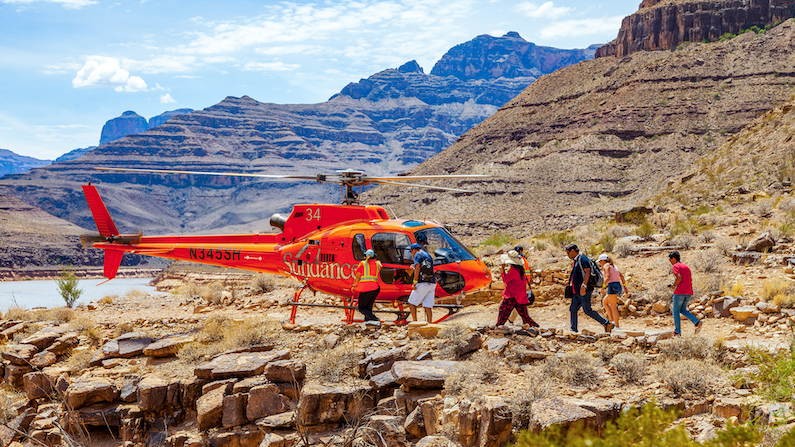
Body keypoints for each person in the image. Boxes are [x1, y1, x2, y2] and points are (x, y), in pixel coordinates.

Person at [566, 244, 613, 333]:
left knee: (587, 310)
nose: (568, 255)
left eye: (568, 253)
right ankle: (573, 329)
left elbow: (588, 271)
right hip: (576, 292)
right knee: (573, 309)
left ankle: (606, 323)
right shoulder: (576, 261)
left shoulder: (582, 258)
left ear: (572, 251)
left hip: (584, 290)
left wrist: (583, 286)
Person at [497, 250, 539, 327]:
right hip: (520, 295)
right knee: (524, 315)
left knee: (503, 311)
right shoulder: (520, 269)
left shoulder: (513, 270)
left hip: (512, 294)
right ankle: (534, 327)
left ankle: (499, 326)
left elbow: (506, 279)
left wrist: (503, 270)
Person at [668, 251, 702, 336]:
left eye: (670, 259)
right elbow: (685, 279)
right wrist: (674, 283)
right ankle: (696, 322)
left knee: (675, 311)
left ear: (674, 258)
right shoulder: (685, 266)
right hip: (688, 292)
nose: (670, 261)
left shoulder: (675, 266)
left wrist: (674, 285)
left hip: (680, 292)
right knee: (682, 309)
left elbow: (679, 278)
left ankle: (677, 331)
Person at [351, 249, 382, 325]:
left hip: (365, 288)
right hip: (375, 288)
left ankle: (375, 319)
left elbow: (357, 277)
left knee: (361, 308)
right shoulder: (377, 264)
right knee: (368, 307)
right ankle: (368, 322)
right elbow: (380, 265)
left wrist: (354, 286)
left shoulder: (362, 264)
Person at [597, 253, 627, 330]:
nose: (600, 263)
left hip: (612, 286)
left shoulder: (606, 266)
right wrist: (625, 287)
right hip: (618, 286)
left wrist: (602, 288)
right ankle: (612, 321)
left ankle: (617, 326)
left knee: (613, 307)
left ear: (603, 261)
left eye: (600, 261)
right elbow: (622, 276)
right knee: (604, 302)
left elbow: (607, 278)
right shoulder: (614, 266)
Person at [407, 242, 436, 322]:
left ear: (414, 250)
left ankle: (415, 322)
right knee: (428, 305)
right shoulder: (428, 255)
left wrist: (414, 282)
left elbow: (418, 268)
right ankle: (430, 323)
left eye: (411, 251)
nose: (412, 254)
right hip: (432, 283)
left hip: (422, 283)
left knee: (411, 303)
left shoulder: (418, 254)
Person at [508, 245, 533, 324]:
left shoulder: (517, 260)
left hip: (518, 284)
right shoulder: (524, 260)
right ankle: (513, 319)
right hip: (523, 284)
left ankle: (524, 320)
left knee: (519, 302)